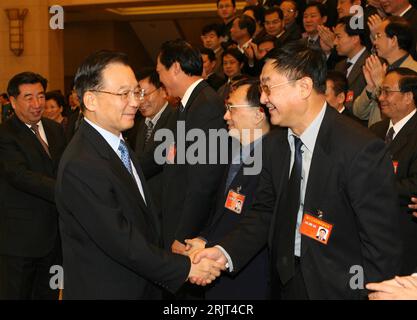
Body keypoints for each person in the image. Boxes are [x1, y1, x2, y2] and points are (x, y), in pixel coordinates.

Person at [192, 41, 402, 299]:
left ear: (303, 87)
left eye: (268, 87)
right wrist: (225, 252)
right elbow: (265, 213)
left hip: (340, 288)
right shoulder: (274, 145)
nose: (264, 98)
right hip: (286, 280)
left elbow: (381, 244)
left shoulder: (359, 149)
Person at [55, 50, 224, 299]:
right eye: (124, 94)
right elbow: (121, 241)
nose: (135, 101)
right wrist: (185, 267)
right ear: (90, 100)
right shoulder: (82, 163)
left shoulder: (117, 143)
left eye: (136, 92)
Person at [185, 78, 271, 300]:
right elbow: (222, 211)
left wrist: (215, 248)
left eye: (231, 109)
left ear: (259, 114)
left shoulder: (273, 160)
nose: (225, 116)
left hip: (250, 279)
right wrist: (205, 239)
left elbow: (258, 222)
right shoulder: (234, 152)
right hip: (220, 270)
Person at [0, 72, 67, 299]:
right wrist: (66, 190)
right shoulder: (5, 134)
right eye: (28, 97)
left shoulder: (56, 129)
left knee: (48, 294)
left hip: (55, 239)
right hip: (20, 241)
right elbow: (19, 175)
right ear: (12, 100)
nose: (37, 104)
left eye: (40, 96)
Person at [370, 68, 417, 275]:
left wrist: (370, 188)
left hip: (403, 234)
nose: (381, 97)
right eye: (381, 91)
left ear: (408, 97)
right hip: (371, 232)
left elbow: (413, 185)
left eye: (387, 92)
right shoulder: (375, 131)